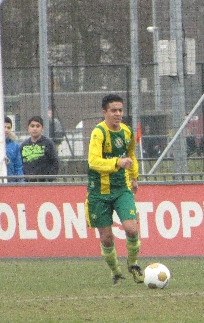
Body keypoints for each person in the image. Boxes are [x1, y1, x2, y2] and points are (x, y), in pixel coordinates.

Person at [85, 94, 144, 285]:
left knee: (131, 229)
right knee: (107, 238)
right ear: (105, 112)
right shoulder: (98, 133)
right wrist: (117, 162)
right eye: (113, 110)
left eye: (120, 110)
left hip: (121, 188)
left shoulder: (126, 132)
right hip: (99, 192)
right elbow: (93, 161)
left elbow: (131, 155)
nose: (118, 114)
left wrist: (134, 177)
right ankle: (116, 272)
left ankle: (133, 264)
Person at [20, 116, 60, 182]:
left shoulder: (48, 143)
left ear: (42, 128)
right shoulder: (23, 145)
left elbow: (55, 163)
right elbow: (20, 164)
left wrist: (48, 179)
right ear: (28, 128)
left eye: (38, 126)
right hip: (27, 183)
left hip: (43, 184)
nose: (35, 129)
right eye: (32, 126)